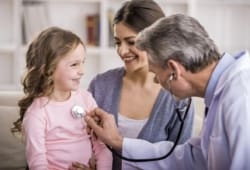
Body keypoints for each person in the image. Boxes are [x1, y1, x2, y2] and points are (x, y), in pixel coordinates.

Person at [84, 14, 250, 170]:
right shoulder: (221, 93)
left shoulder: (240, 96)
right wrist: (118, 141)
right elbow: (193, 158)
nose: (157, 81)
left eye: (156, 73)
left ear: (174, 70)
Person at [85, 1, 195, 170]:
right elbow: (80, 143)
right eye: (117, 42)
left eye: (131, 42)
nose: (122, 51)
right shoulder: (100, 86)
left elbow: (181, 162)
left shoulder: (179, 98)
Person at [11, 27, 112, 170]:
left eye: (83, 62)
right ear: (48, 70)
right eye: (74, 64)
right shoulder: (37, 113)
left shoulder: (86, 99)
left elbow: (102, 147)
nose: (82, 71)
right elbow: (37, 164)